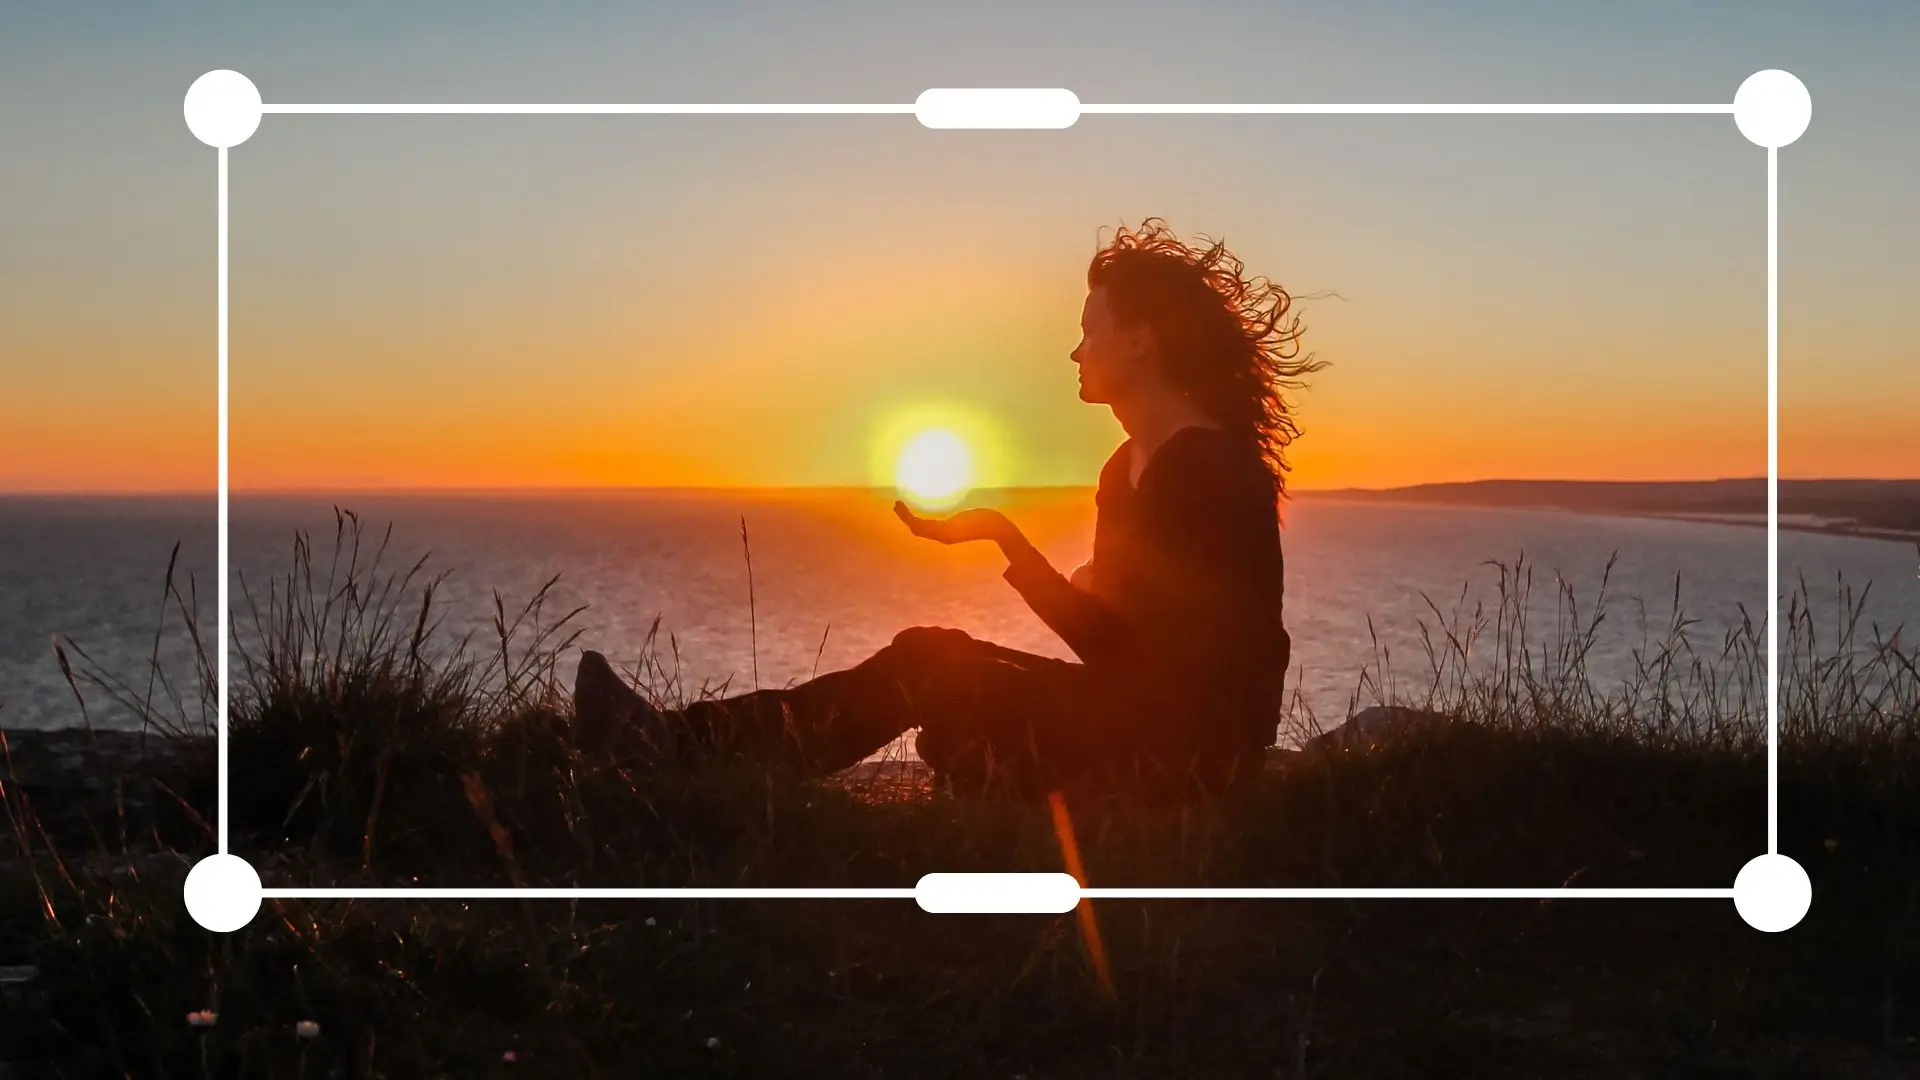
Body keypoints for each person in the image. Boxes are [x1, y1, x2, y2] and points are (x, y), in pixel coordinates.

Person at [573, 218, 1323, 800]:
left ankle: (679, 752)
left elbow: (1176, 672)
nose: (1075, 352)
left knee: (942, 678)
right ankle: (683, 748)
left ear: (1142, 343)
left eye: (1090, 331)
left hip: (1190, 752)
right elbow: (1116, 652)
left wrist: (1023, 562)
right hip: (1132, 716)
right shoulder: (1122, 470)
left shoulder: (1210, 469)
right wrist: (1014, 550)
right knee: (929, 652)